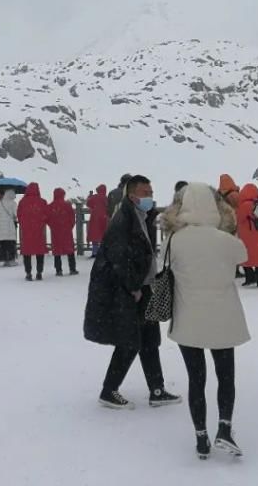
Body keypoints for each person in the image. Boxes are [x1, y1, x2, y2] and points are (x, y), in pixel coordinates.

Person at [163, 183, 249, 460]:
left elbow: (161, 264)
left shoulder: (175, 240)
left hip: (189, 318)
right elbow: (243, 256)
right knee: (226, 376)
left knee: (195, 379)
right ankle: (225, 427)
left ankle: (201, 436)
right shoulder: (226, 240)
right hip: (224, 317)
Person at [83, 174, 181, 410]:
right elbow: (119, 257)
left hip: (141, 287)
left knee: (148, 340)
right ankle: (109, 390)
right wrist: (133, 287)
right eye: (145, 193)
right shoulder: (124, 219)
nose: (150, 197)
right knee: (130, 341)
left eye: (151, 192)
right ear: (132, 195)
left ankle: (156, 390)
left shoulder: (141, 216)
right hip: (128, 290)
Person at [18, 183, 48, 281]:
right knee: (39, 251)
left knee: (27, 252)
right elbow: (46, 215)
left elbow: (19, 215)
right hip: (39, 230)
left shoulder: (22, 202)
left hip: (27, 231)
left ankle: (28, 273)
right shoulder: (42, 202)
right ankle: (39, 272)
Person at [48, 187, 77, 276]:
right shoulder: (67, 205)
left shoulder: (50, 206)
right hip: (66, 230)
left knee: (57, 251)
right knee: (69, 249)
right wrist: (69, 226)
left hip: (55, 231)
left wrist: (52, 226)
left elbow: (47, 219)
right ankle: (72, 269)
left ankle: (58, 270)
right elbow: (72, 217)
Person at [0, 189, 19, 266]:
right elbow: (16, 213)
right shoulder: (13, 203)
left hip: (0, 225)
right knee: (10, 243)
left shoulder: (0, 202)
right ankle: (11, 260)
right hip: (9, 225)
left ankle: (5, 259)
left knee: (3, 243)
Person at [86, 185, 108, 257]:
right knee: (103, 236)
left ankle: (94, 252)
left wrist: (90, 197)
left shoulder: (94, 197)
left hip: (95, 218)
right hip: (104, 218)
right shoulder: (106, 198)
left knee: (95, 236)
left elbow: (88, 204)